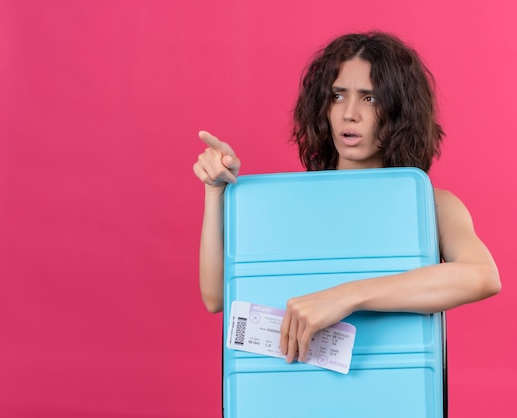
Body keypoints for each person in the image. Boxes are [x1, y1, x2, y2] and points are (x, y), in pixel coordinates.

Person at [193, 32, 501, 365]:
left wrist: (347, 297)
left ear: (399, 111)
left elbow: (481, 275)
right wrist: (216, 191)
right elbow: (215, 296)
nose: (349, 113)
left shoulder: (431, 204)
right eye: (338, 96)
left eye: (369, 99)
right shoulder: (289, 202)